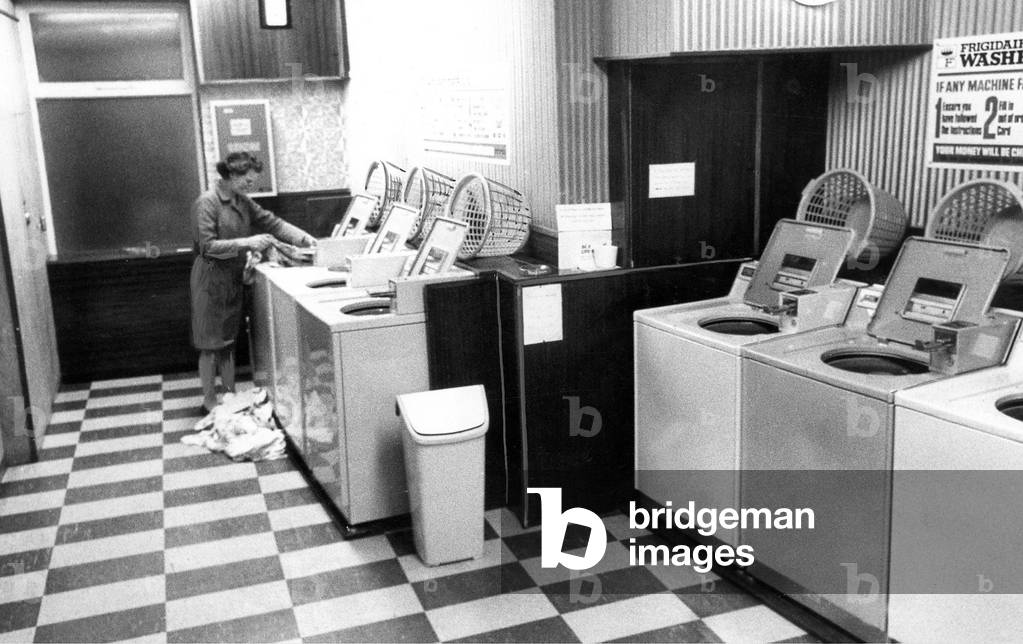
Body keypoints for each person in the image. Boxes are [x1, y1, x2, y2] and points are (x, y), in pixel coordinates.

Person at [190, 151, 315, 413]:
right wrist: (246, 242)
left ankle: (228, 394)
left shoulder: (241, 201)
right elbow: (206, 247)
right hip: (210, 281)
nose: (251, 186)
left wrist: (305, 239)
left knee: (228, 342)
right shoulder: (208, 203)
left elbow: (272, 223)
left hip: (234, 279)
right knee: (210, 345)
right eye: (247, 181)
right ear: (231, 175)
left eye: (252, 182)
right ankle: (209, 400)